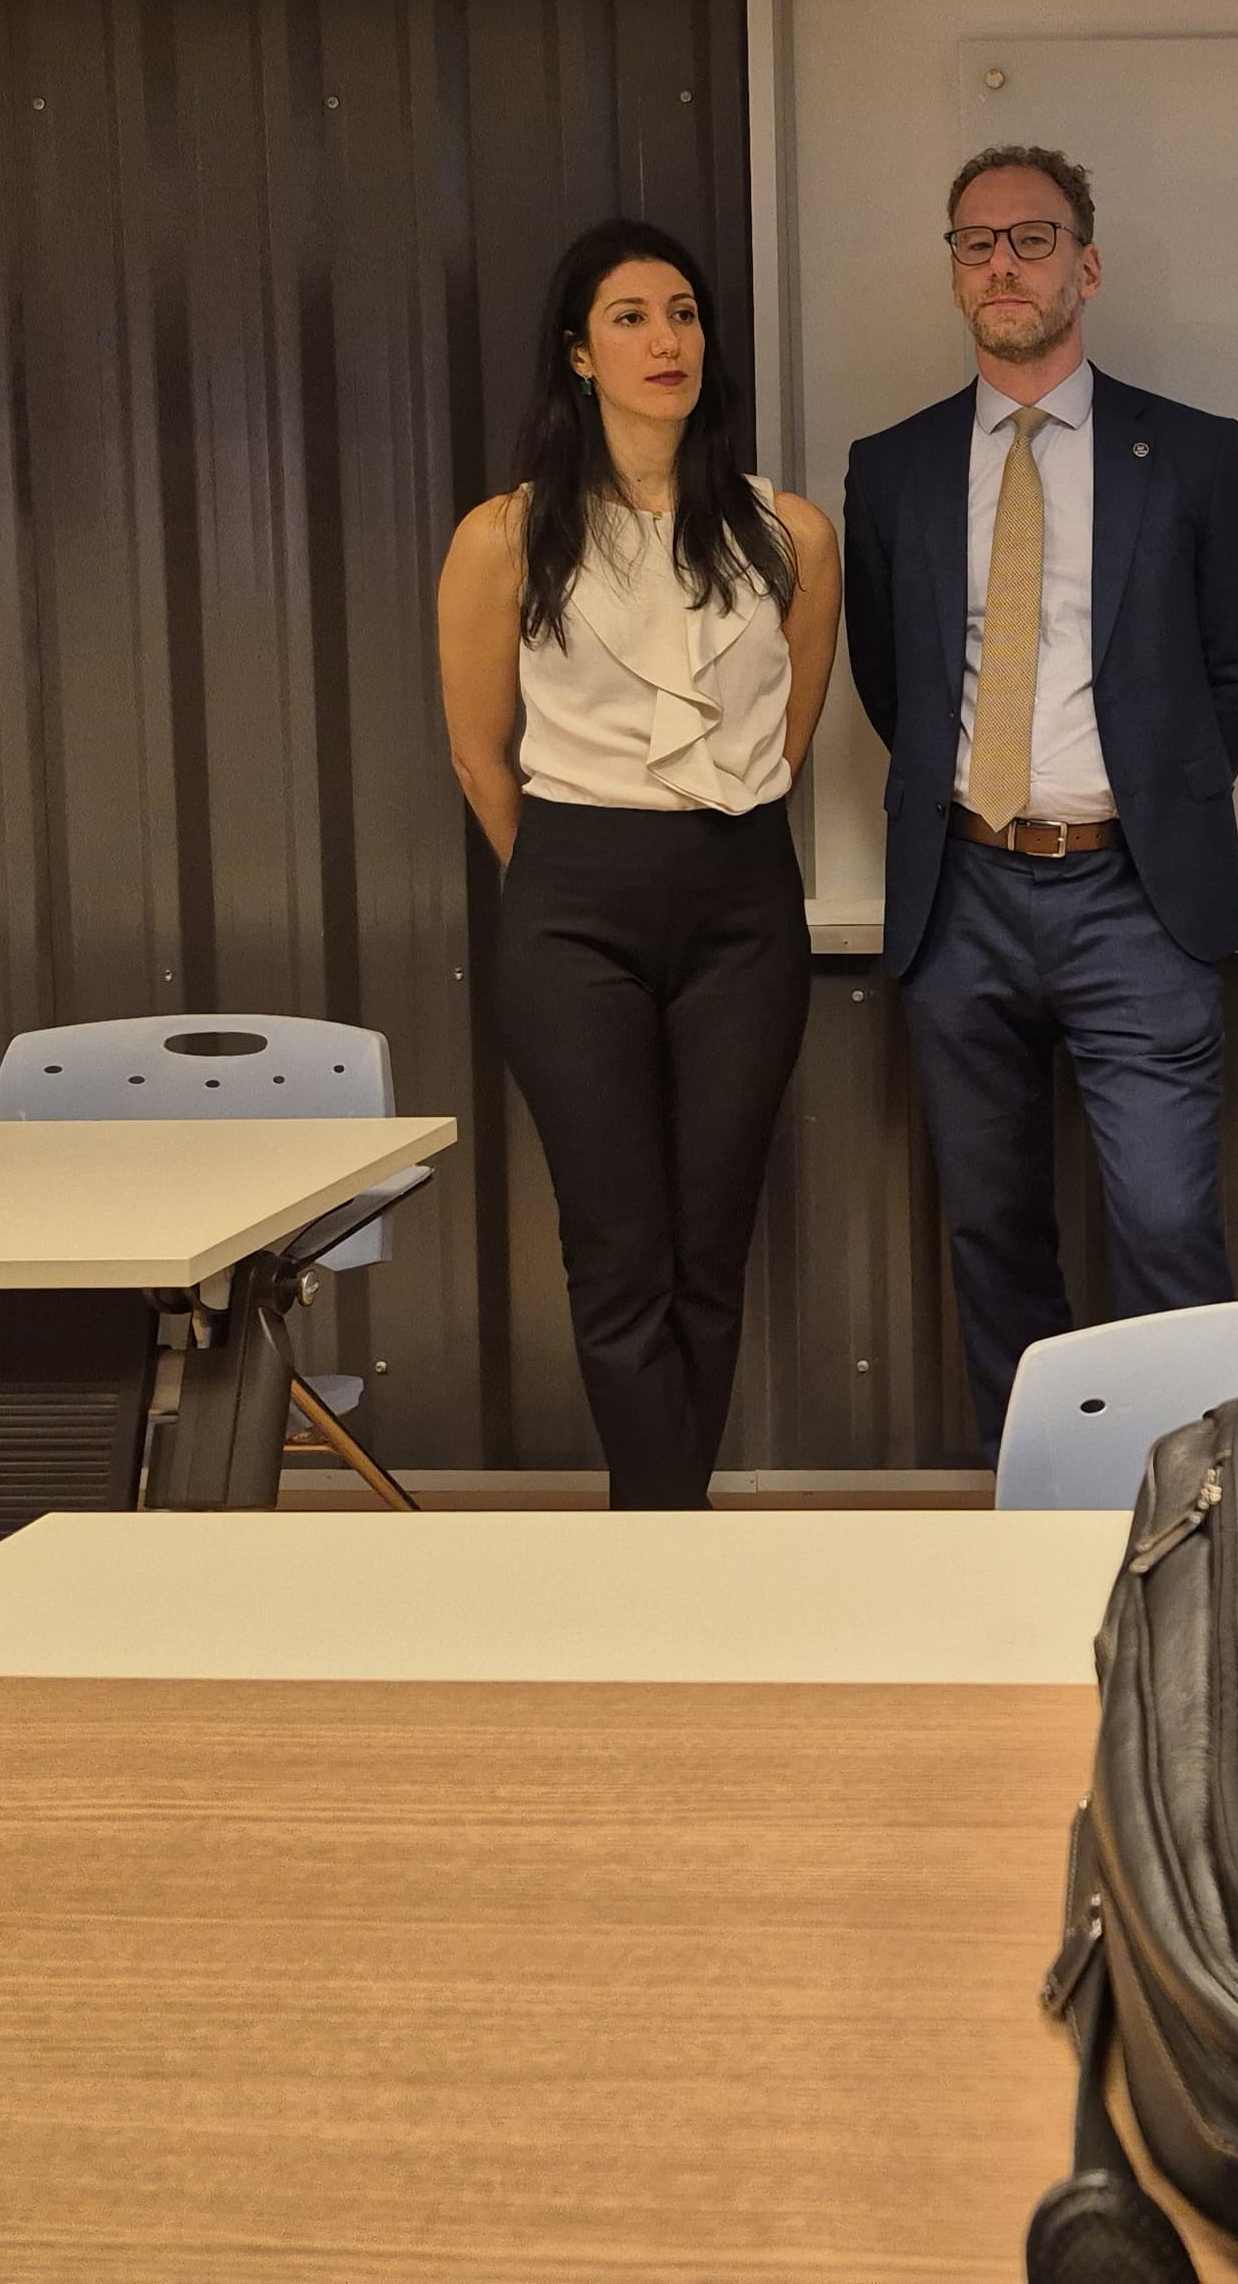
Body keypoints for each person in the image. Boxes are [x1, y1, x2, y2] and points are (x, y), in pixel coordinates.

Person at [842, 145, 1238, 1454]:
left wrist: (1153, 799)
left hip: (1133, 894)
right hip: (961, 891)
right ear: (953, 274)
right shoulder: (895, 467)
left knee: (1164, 1222)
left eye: (1031, 239)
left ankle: (1193, 1508)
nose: (1002, 264)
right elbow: (891, 676)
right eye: (975, 243)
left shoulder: (1190, 453)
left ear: (1085, 268)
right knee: (993, 1231)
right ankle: (1034, 1505)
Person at [435, 219, 837, 1510]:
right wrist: (573, 871)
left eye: (684, 313)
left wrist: (700, 842)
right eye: (630, 317)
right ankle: (660, 1531)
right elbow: (479, 753)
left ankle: (667, 1528)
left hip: (743, 899)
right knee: (617, 1250)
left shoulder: (789, 532)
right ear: (578, 354)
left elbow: (790, 728)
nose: (666, 341)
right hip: (573, 905)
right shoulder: (505, 536)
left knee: (709, 1246)